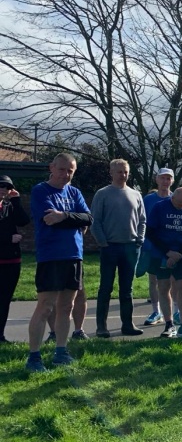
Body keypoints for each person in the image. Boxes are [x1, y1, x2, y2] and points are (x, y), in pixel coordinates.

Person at [26, 154, 93, 372]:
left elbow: (88, 218)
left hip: (74, 255)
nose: (66, 174)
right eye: (62, 169)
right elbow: (49, 219)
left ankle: (61, 352)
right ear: (52, 168)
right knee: (46, 306)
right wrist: (74, 219)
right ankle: (34, 357)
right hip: (51, 256)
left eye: (70, 171)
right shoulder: (40, 191)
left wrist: (63, 216)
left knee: (67, 306)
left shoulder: (74, 192)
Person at [90, 159, 146, 337]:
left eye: (126, 171)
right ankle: (101, 327)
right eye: (119, 171)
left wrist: (139, 240)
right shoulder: (103, 194)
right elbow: (95, 221)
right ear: (112, 173)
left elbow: (142, 220)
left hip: (131, 248)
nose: (123, 175)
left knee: (127, 289)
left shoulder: (136, 194)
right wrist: (103, 242)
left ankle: (127, 325)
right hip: (110, 248)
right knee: (106, 287)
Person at [146, 186, 182, 338]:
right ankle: (169, 324)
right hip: (162, 253)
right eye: (179, 204)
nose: (181, 207)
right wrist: (167, 252)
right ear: (173, 198)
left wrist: (179, 253)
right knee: (163, 286)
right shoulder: (159, 207)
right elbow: (150, 232)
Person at [141, 168, 175, 326]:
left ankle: (176, 311)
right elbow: (141, 221)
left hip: (172, 247)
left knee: (174, 280)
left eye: (169, 178)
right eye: (163, 178)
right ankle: (156, 311)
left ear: (172, 181)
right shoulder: (148, 199)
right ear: (157, 180)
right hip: (151, 246)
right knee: (153, 279)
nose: (165, 181)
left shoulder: (177, 198)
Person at [0, 175, 30, 343]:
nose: (3, 189)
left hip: (11, 261)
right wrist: (7, 238)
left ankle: (1, 335)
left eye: (7, 186)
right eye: (0, 186)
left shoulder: (8, 206)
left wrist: (16, 200)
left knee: (4, 300)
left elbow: (23, 221)